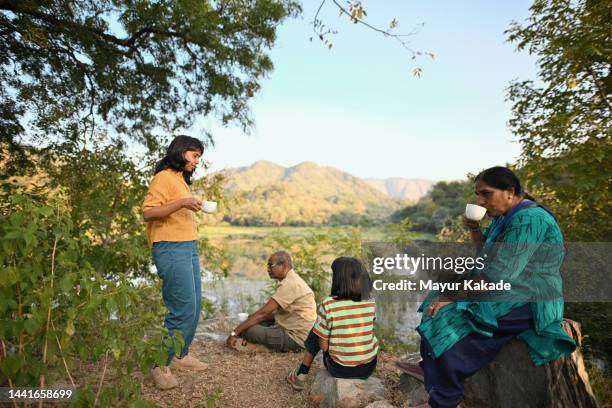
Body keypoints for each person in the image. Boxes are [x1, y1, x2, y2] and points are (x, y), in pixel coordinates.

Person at [400, 166, 576, 408]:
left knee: (452, 315)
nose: (481, 201)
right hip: (508, 289)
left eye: (486, 194)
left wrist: (454, 297)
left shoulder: (530, 219)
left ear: (510, 191)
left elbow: (499, 275)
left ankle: (444, 399)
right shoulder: (505, 216)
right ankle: (430, 368)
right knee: (435, 298)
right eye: (478, 195)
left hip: (531, 298)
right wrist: (474, 229)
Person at [143, 135, 209, 390]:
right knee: (181, 309)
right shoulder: (164, 177)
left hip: (188, 246)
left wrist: (187, 201)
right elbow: (148, 212)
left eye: (198, 157)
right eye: (194, 156)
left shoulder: (181, 180)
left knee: (194, 306)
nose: (196, 161)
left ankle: (180, 354)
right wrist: (182, 202)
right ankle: (160, 365)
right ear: (181, 152)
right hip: (170, 247)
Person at [287, 257, 379, 391]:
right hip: (368, 368)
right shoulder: (370, 301)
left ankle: (301, 374)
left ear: (339, 280)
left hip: (340, 369)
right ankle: (302, 373)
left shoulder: (329, 304)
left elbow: (323, 347)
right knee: (323, 328)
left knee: (316, 331)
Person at [226, 251, 317, 352]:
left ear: (283, 265)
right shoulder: (292, 279)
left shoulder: (290, 284)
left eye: (271, 266)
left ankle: (261, 348)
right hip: (301, 332)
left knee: (249, 330)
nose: (268, 270)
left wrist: (235, 332)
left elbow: (264, 313)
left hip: (297, 339)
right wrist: (250, 319)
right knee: (251, 322)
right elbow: (273, 313)